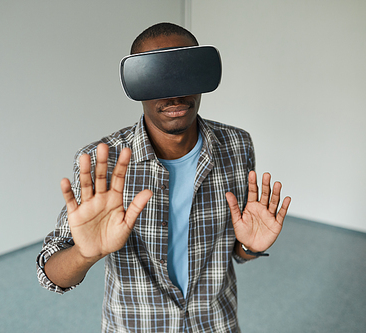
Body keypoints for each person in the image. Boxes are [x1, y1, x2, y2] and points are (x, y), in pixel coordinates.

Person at [37, 22, 291, 332]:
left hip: (215, 323)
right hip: (137, 324)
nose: (175, 93)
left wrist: (249, 248)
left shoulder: (236, 146)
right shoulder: (102, 162)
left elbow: (237, 250)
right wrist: (85, 253)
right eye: (158, 76)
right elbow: (50, 275)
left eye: (185, 71)